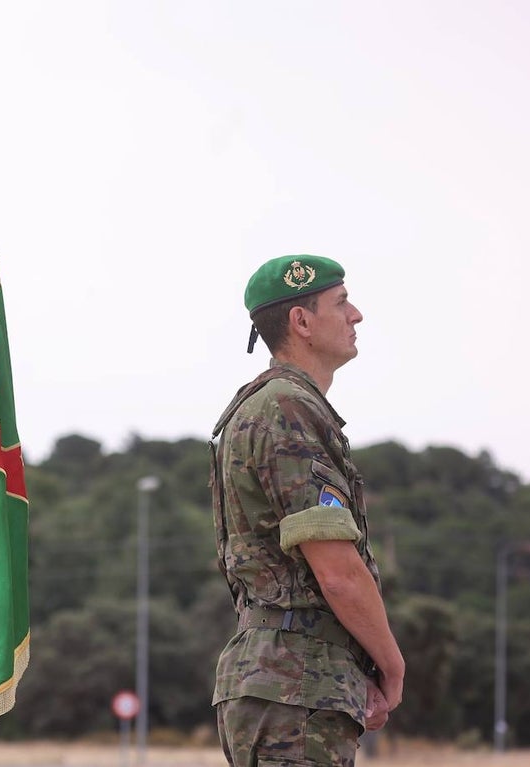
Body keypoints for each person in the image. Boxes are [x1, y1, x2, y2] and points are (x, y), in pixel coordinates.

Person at [208, 255, 405, 767]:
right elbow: (337, 570)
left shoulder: (275, 406)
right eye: (341, 303)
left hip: (288, 679)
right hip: (294, 684)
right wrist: (391, 663)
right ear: (301, 322)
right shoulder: (286, 409)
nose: (356, 315)